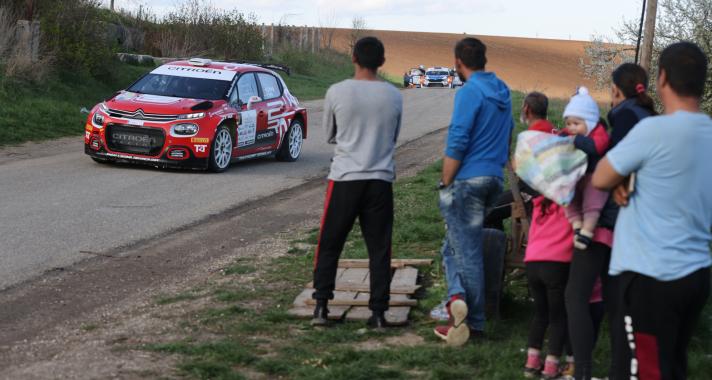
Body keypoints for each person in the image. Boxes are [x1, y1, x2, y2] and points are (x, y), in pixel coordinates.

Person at [593, 41, 712, 380]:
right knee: (671, 368)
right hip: (696, 275)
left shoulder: (653, 131)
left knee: (641, 372)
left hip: (651, 277)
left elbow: (601, 177)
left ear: (661, 79)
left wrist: (624, 174)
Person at [311, 36, 403, 329]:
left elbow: (329, 135)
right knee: (379, 248)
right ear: (382, 62)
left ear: (353, 58)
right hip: (379, 179)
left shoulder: (337, 91)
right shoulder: (394, 95)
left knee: (329, 243)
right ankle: (378, 313)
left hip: (345, 178)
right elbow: (393, 136)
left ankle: (322, 308)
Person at [433, 37, 514, 346]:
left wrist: (446, 180)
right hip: (493, 179)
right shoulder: (502, 90)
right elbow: (508, 134)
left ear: (458, 62)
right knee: (452, 245)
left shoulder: (469, 92)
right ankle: (457, 305)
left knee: (465, 251)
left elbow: (458, 138)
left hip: (468, 179)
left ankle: (473, 323)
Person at [517, 92, 573, 379]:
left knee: (539, 316)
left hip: (532, 263)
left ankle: (531, 364)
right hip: (556, 265)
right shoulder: (567, 204)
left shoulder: (539, 203)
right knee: (558, 316)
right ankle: (552, 365)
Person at [560, 87, 610, 250]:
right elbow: (563, 137)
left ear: (590, 122)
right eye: (568, 124)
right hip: (576, 176)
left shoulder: (598, 131)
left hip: (593, 175)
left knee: (593, 202)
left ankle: (587, 230)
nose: (571, 128)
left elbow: (598, 147)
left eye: (576, 123)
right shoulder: (570, 133)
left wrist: (576, 140)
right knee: (568, 199)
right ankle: (576, 224)